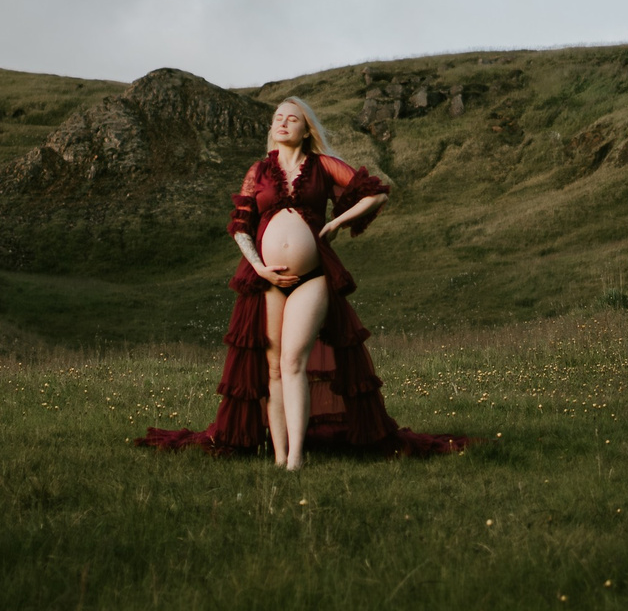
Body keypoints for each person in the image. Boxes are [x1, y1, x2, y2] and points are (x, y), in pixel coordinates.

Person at [135, 97, 467, 465]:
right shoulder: (258, 171)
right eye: (278, 118)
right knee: (275, 369)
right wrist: (259, 267)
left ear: (305, 129)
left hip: (313, 276)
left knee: (294, 362)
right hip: (267, 278)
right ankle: (280, 457)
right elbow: (240, 227)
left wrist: (334, 223)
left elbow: (375, 191)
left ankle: (296, 458)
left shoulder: (323, 166)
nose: (282, 123)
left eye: (292, 119)